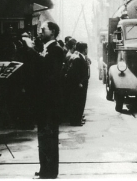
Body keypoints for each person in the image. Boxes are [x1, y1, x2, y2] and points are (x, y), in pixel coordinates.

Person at [36, 21, 64, 179]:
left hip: (50, 103)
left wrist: (31, 51)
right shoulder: (48, 49)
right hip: (45, 102)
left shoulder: (56, 50)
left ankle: (50, 171)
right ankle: (44, 169)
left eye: (43, 29)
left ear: (52, 32)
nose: (40, 32)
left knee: (49, 137)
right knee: (44, 136)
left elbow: (49, 75)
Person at [66, 42, 90, 126]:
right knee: (78, 102)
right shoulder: (78, 59)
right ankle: (75, 121)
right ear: (84, 49)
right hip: (79, 85)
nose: (87, 50)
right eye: (86, 48)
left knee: (81, 102)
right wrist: (78, 83)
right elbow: (74, 73)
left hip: (82, 84)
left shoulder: (80, 57)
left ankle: (78, 119)